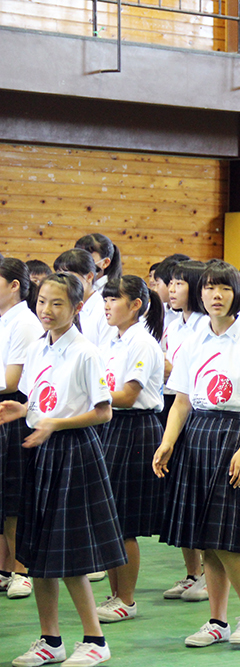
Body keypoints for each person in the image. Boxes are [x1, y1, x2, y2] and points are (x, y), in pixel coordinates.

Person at [153, 261, 240, 648]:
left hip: (237, 434)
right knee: (206, 537)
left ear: (236, 292)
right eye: (209, 288)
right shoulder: (193, 340)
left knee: (229, 539)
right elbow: (181, 401)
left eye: (224, 288)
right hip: (199, 434)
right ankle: (217, 621)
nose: (216, 295)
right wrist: (168, 441)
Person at [5, 273, 123, 667]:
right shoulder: (39, 349)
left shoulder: (86, 351)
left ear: (75, 308)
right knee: (38, 552)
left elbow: (103, 412)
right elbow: (44, 400)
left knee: (67, 554)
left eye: (57, 304)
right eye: (41, 302)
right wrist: (24, 411)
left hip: (74, 452)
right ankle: (50, 640)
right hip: (41, 450)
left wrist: (55, 423)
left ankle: (95, 639)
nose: (47, 310)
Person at [94, 276, 166, 623]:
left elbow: (127, 395)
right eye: (105, 299)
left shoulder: (142, 343)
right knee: (110, 519)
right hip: (110, 426)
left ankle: (127, 598)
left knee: (124, 521)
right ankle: (114, 595)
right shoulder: (112, 339)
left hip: (135, 429)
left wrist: (87, 399)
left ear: (136, 304)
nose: (107, 305)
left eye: (113, 299)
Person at [159, 260, 209, 602]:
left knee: (202, 494)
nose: (172, 289)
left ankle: (208, 571)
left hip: (200, 410)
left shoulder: (206, 326)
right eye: (170, 284)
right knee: (183, 495)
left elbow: (190, 375)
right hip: (172, 406)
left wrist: (163, 366)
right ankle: (192, 572)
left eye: (178, 283)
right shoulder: (174, 324)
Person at [0, 259, 43, 601]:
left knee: (14, 496)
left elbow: (13, 380)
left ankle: (21, 570)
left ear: (14, 285)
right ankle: (3, 567)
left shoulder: (24, 322)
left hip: (16, 408)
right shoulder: (4, 320)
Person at [53, 250, 114, 349]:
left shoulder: (104, 311)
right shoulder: (64, 307)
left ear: (89, 277)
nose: (63, 282)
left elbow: (106, 355)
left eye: (68, 276)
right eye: (59, 276)